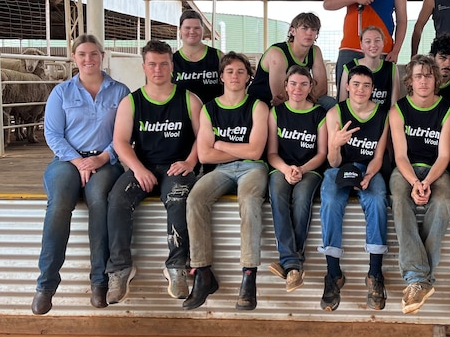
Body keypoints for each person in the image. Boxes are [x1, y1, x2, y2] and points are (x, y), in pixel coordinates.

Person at [32, 34, 130, 315]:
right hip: (67, 160)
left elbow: (124, 133)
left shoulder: (120, 91)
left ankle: (99, 282)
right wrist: (78, 162)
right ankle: (46, 284)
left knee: (99, 201)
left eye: (94, 54)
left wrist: (101, 158)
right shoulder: (61, 92)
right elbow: (52, 133)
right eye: (82, 54)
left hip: (105, 160)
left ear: (102, 56)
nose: (89, 59)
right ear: (74, 58)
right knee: (60, 202)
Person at [105, 40, 202, 305]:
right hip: (144, 166)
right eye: (152, 64)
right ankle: (120, 268)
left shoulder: (189, 99)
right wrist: (137, 169)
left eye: (163, 64)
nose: (158, 69)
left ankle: (176, 266)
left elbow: (202, 137)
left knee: (178, 198)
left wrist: (191, 162)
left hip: (176, 167)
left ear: (172, 66)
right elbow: (120, 142)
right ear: (144, 67)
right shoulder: (132, 101)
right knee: (117, 200)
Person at [182, 52, 270, 311]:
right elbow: (205, 154)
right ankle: (202, 272)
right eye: (230, 71)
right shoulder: (209, 109)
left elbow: (255, 152)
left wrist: (220, 142)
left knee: (249, 199)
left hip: (253, 168)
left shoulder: (258, 106)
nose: (235, 76)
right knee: (196, 198)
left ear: (248, 77)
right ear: (221, 76)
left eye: (241, 71)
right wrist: (236, 147)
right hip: (221, 169)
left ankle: (249, 274)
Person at [318, 65, 390, 312]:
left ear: (373, 89)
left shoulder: (383, 114)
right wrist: (336, 145)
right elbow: (333, 162)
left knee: (378, 199)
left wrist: (370, 174)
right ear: (347, 86)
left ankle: (374, 274)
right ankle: (333, 273)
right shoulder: (335, 113)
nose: (361, 89)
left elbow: (378, 156)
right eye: (356, 84)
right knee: (329, 201)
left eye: (366, 85)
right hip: (340, 168)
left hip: (368, 168)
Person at [388, 55, 450, 314]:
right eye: (418, 76)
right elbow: (401, 155)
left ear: (436, 79)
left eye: (428, 75)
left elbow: (444, 155)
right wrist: (415, 182)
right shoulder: (399, 109)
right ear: (410, 81)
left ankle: (417, 279)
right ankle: (420, 279)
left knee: (442, 202)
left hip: (435, 170)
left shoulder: (447, 108)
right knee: (398, 198)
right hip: (406, 170)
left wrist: (427, 181)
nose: (423, 80)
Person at [266, 66, 328, 293]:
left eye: (303, 84)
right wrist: (286, 169)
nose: (297, 88)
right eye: (293, 83)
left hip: (310, 169)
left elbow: (322, 153)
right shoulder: (276, 112)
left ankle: (290, 261)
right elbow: (271, 153)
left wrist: (301, 169)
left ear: (311, 86)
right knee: (278, 195)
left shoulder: (319, 114)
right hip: (281, 167)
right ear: (285, 86)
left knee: (302, 198)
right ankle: (294, 264)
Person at [248, 12, 334, 109]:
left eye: (313, 29)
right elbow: (280, 95)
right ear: (293, 31)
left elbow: (322, 89)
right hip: (263, 102)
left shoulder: (315, 51)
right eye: (304, 28)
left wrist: (305, 101)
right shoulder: (277, 52)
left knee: (329, 102)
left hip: (299, 98)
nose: (309, 33)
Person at [338, 25, 400, 107]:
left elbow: (394, 106)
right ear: (361, 45)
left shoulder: (391, 68)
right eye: (368, 41)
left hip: (383, 119)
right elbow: (342, 104)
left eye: (377, 40)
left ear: (383, 43)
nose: (373, 45)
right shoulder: (349, 68)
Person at [172, 10, 223, 104]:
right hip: (184, 116)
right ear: (180, 30)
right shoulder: (172, 60)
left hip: (214, 115)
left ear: (202, 30)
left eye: (196, 28)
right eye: (187, 28)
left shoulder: (218, 56)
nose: (192, 31)